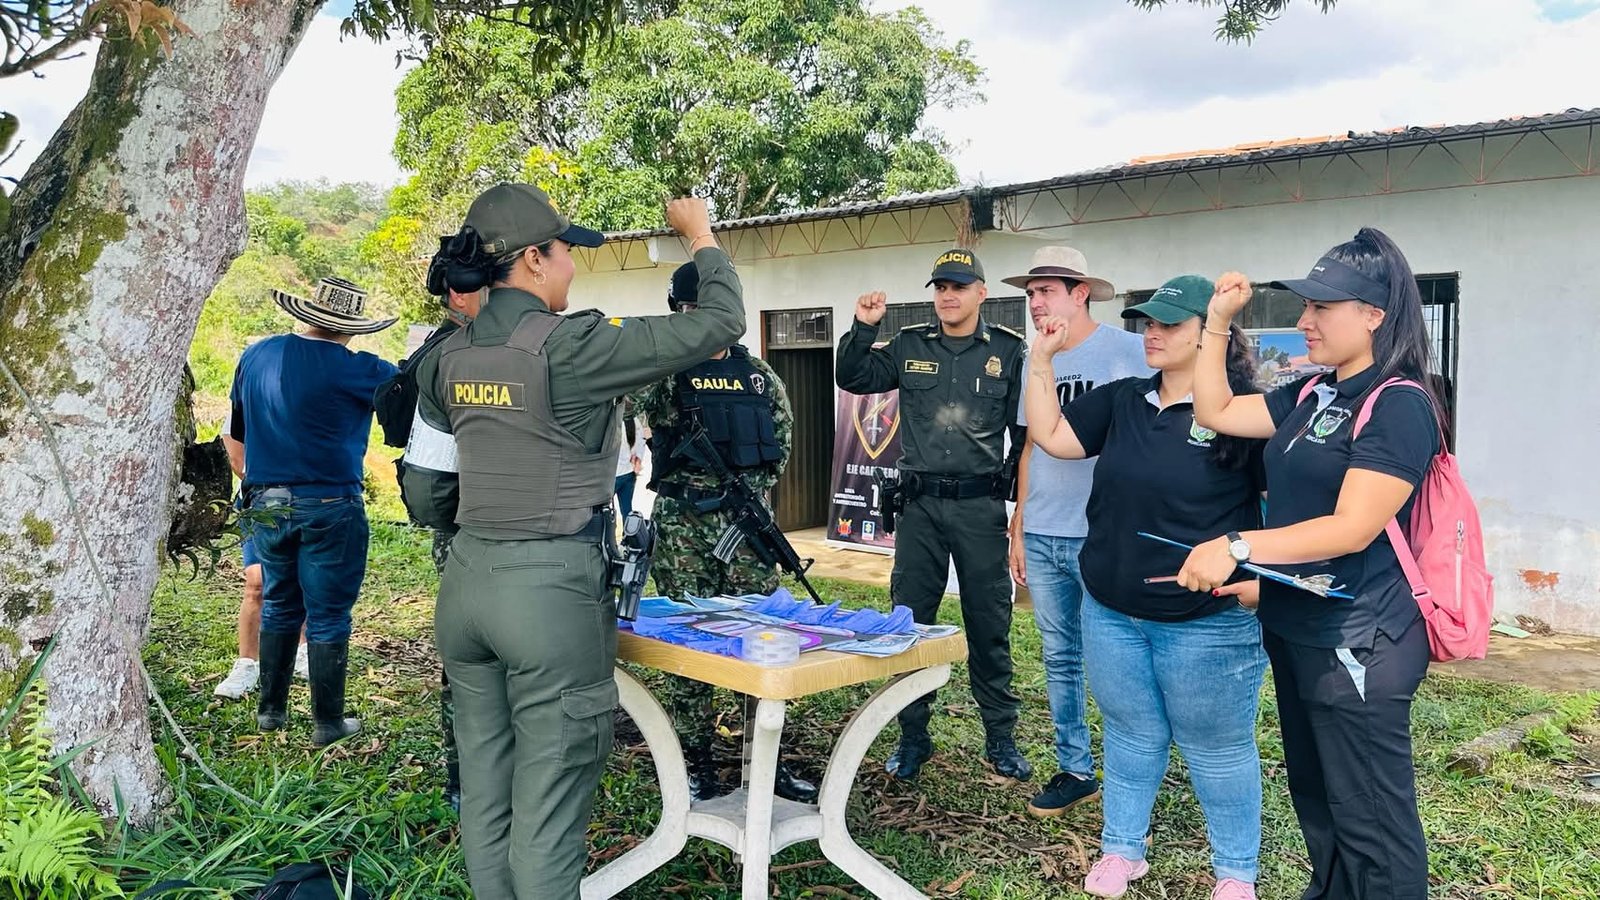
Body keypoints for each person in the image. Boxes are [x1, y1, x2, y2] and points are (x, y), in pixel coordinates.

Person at [402, 184, 746, 899]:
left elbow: (426, 492)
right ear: (532, 260)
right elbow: (720, 320)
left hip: (466, 588)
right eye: (564, 254)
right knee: (552, 794)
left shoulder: (443, 358)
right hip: (550, 594)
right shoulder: (574, 347)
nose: (571, 269)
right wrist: (700, 235)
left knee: (489, 781)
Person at [1183, 228, 1443, 900]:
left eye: (1323, 308)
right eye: (1306, 306)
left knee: (1372, 821)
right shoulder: (1311, 394)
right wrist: (1216, 323)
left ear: (1374, 317)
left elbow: (1351, 528)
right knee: (1320, 801)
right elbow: (1212, 409)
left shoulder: (1401, 403)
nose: (1306, 321)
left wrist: (1239, 546)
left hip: (1359, 636)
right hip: (1298, 627)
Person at [1025, 276, 1268, 900]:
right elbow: (1051, 436)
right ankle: (1122, 851)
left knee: (1216, 749)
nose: (1152, 335)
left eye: (1170, 325)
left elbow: (1288, 507)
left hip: (1206, 623)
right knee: (1130, 734)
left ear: (1209, 334)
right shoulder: (1125, 400)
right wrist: (1041, 360)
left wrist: (1261, 583)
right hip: (1113, 610)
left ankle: (1236, 871)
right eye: (1147, 324)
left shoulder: (1242, 413)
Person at [835, 248, 1031, 782]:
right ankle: (913, 738)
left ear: (981, 293)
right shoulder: (908, 343)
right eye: (941, 286)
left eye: (959, 286)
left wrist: (1013, 496)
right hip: (920, 507)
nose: (948, 295)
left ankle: (1001, 738)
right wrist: (861, 326)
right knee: (910, 622)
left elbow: (1025, 433)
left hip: (980, 508)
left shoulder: (1010, 352)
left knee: (989, 623)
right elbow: (852, 377)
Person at [633, 259, 817, 805]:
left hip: (745, 524)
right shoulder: (663, 375)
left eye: (704, 310)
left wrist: (744, 498)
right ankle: (697, 763)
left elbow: (780, 446)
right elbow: (641, 425)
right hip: (683, 526)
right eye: (687, 311)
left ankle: (765, 759)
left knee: (760, 640)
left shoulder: (761, 376)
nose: (695, 320)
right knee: (690, 639)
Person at [1001, 246, 1151, 817]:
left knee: (1116, 657)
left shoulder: (1132, 351)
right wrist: (1020, 522)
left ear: (1080, 292)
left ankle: (1132, 774)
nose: (1036, 303)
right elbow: (1032, 445)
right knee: (1059, 656)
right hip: (1043, 531)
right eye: (1030, 294)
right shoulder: (1033, 357)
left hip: (1104, 534)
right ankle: (1075, 768)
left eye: (1046, 291)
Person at [229, 276, 399, 747]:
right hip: (329, 503)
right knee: (327, 613)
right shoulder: (362, 368)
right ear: (352, 327)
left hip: (264, 502)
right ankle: (327, 723)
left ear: (306, 314)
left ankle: (271, 711)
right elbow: (407, 402)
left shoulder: (256, 354)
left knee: (281, 600)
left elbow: (236, 431)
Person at [395, 248, 487, 813]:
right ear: (460, 293)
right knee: (474, 660)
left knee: (468, 657)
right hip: (472, 529)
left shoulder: (432, 354)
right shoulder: (455, 357)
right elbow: (430, 485)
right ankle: (466, 779)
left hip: (459, 531)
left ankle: (465, 781)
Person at [211, 440, 309, 700]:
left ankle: (303, 647)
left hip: (310, 497)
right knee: (257, 583)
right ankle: (247, 664)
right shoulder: (249, 397)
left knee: (301, 573)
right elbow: (235, 453)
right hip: (260, 499)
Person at [614, 401, 646, 516]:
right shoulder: (634, 422)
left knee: (604, 512)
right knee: (627, 511)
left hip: (612, 476)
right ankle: (629, 533)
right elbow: (641, 443)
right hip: (629, 473)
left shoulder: (611, 424)